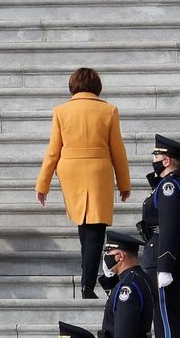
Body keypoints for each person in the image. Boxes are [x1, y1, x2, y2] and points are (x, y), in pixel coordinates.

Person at [35, 67, 131, 299]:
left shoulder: (61, 111)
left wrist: (43, 184)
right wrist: (124, 183)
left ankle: (86, 276)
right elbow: (118, 150)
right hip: (98, 169)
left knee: (83, 223)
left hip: (71, 170)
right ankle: (87, 284)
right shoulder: (108, 110)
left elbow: (52, 151)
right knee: (96, 228)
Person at [140, 135, 180, 338]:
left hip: (166, 257)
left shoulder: (169, 186)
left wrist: (164, 266)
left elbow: (169, 226)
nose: (153, 161)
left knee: (166, 316)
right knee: (175, 315)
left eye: (156, 157)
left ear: (166, 161)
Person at [97, 230, 154, 338]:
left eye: (109, 253)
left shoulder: (128, 287)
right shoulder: (139, 278)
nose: (106, 257)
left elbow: (124, 330)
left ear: (121, 256)